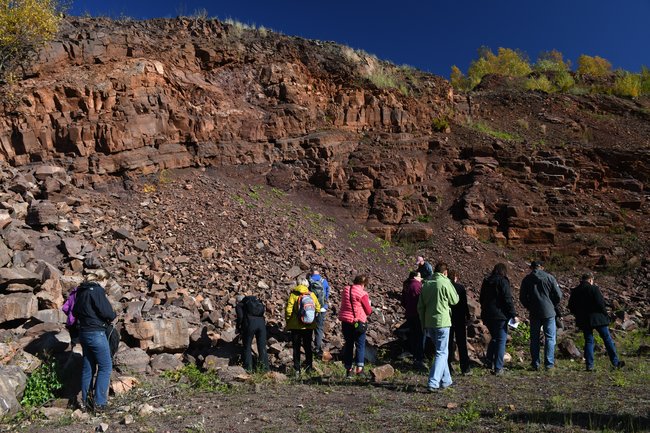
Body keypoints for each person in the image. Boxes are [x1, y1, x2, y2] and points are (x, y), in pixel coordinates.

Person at [72, 269, 116, 412]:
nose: (106, 285)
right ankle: (100, 403)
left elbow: (75, 312)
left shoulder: (81, 291)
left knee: (88, 368)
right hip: (96, 333)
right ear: (102, 279)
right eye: (106, 282)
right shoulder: (96, 291)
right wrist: (112, 315)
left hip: (83, 333)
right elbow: (107, 312)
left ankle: (86, 403)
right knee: (105, 367)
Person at [568, 273, 625, 371]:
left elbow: (571, 306)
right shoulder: (593, 288)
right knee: (607, 339)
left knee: (589, 341)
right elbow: (600, 303)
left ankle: (589, 365)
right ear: (590, 280)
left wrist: (578, 314)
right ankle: (615, 362)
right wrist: (605, 314)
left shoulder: (576, 291)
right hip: (598, 318)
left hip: (584, 320)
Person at [417, 262, 459, 391]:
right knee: (442, 352)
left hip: (429, 323)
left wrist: (423, 324)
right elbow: (455, 300)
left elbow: (420, 307)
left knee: (440, 352)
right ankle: (433, 382)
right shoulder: (445, 282)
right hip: (443, 322)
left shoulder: (426, 284)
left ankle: (446, 380)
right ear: (445, 272)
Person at [519, 261, 563, 370]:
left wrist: (529, 306)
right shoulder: (549, 278)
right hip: (549, 312)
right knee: (550, 338)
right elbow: (558, 295)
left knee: (534, 338)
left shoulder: (526, 280)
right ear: (542, 267)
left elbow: (522, 297)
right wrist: (552, 304)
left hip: (534, 312)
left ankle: (535, 363)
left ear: (531, 268)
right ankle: (549, 364)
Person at [480, 263, 517, 376]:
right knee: (501, 340)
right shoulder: (503, 281)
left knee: (495, 338)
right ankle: (498, 368)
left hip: (487, 314)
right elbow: (507, 298)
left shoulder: (486, 281)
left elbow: (481, 298)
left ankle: (488, 361)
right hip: (500, 315)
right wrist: (513, 314)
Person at [285, 278, 321, 376]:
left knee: (296, 348)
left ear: (298, 284)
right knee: (308, 347)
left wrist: (289, 321)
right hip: (309, 326)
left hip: (295, 327)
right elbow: (318, 308)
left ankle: (297, 370)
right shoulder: (311, 295)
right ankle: (309, 368)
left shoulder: (293, 295)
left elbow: (288, 310)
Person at [338, 274, 372, 377]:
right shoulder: (362, 293)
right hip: (358, 322)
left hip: (345, 321)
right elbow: (368, 310)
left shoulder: (345, 290)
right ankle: (359, 369)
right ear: (363, 284)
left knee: (349, 344)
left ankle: (349, 370)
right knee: (360, 345)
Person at [235, 295, 269, 372]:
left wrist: (238, 327)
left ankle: (248, 368)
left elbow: (240, 317)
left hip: (250, 325)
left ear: (238, 301)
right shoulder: (256, 303)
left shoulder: (240, 305)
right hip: (261, 325)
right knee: (262, 347)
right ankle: (265, 369)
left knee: (247, 346)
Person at [448, 270, 471, 376]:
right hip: (460, 318)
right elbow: (464, 304)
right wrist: (468, 316)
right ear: (456, 277)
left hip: (448, 318)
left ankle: (448, 366)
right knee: (462, 344)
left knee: (448, 344)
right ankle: (465, 367)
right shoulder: (460, 288)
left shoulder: (446, 287)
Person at [401, 271, 425, 370]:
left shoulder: (406, 285)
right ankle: (419, 358)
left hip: (409, 313)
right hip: (417, 313)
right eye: (420, 276)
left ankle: (412, 353)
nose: (421, 278)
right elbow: (421, 300)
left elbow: (403, 301)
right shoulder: (417, 285)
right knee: (420, 336)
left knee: (413, 335)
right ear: (415, 277)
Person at [307, 269, 330, 356]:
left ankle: (308, 346)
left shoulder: (309, 281)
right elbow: (327, 293)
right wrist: (324, 302)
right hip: (322, 308)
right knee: (319, 328)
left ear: (311, 273)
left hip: (310, 308)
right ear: (319, 273)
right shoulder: (324, 281)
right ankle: (317, 348)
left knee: (309, 327)